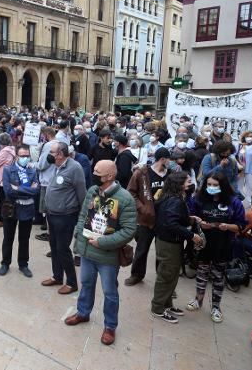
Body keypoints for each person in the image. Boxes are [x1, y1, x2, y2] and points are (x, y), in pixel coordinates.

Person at [65, 160, 137, 345]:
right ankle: (83, 313)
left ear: (110, 176)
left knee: (110, 292)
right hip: (88, 251)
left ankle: (110, 326)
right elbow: (83, 216)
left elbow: (129, 231)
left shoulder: (125, 198)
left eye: (98, 172)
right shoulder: (92, 191)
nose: (94, 174)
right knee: (86, 284)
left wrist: (103, 242)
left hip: (107, 256)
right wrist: (80, 238)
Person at [187, 171, 246, 323]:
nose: (211, 187)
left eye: (215, 185)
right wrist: (199, 222)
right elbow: (189, 217)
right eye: (209, 184)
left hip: (223, 245)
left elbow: (241, 226)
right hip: (203, 244)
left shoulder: (234, 202)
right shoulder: (198, 199)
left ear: (223, 186)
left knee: (218, 276)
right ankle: (198, 300)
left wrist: (228, 226)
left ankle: (216, 307)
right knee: (202, 272)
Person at [151, 171, 202, 324]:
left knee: (172, 275)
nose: (190, 183)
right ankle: (158, 308)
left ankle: (167, 304)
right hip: (169, 244)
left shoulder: (170, 198)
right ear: (180, 184)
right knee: (166, 276)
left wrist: (190, 219)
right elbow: (171, 223)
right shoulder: (175, 201)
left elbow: (174, 218)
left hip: (168, 242)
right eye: (187, 181)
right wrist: (191, 235)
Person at [41, 141, 86, 294]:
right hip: (52, 214)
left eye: (52, 152)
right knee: (54, 247)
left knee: (62, 249)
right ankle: (57, 276)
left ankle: (72, 283)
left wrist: (82, 216)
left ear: (60, 154)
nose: (49, 154)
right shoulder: (56, 166)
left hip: (66, 217)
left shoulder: (74, 168)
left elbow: (82, 194)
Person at [125, 147, 171, 286]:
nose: (170, 162)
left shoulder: (172, 174)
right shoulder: (142, 173)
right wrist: (142, 207)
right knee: (142, 248)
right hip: (146, 219)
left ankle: (162, 280)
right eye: (169, 159)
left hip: (165, 220)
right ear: (163, 159)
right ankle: (137, 275)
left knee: (163, 252)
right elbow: (131, 193)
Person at [0, 144, 39, 278]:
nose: (25, 158)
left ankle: (23, 264)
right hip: (11, 208)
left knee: (24, 238)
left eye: (27, 156)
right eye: (22, 156)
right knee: (8, 238)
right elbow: (8, 191)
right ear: (16, 156)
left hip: (27, 209)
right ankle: (5, 263)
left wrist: (18, 189)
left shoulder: (33, 170)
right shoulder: (8, 169)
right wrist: (26, 190)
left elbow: (36, 191)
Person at [0, 133, 16, 228]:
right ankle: (1, 217)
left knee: (1, 200)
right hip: (6, 178)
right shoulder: (11, 149)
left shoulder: (5, 151)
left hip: (2, 180)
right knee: (2, 200)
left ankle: (2, 219)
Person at [236, 131, 252, 205]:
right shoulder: (239, 146)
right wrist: (238, 164)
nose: (249, 138)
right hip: (240, 169)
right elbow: (234, 155)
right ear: (244, 137)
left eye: (251, 136)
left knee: (250, 187)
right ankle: (239, 202)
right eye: (247, 136)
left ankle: (250, 203)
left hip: (251, 169)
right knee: (239, 186)